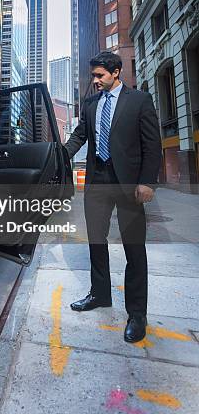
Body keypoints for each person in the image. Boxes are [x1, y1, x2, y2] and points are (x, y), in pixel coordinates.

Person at [64, 52, 162, 343]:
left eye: (99, 75)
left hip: (128, 184)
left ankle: (137, 313)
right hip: (97, 181)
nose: (94, 81)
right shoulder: (91, 103)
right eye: (93, 75)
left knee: (134, 248)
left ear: (116, 72)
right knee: (96, 240)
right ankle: (100, 294)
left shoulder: (139, 100)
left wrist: (146, 182)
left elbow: (152, 144)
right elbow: (80, 135)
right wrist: (58, 156)